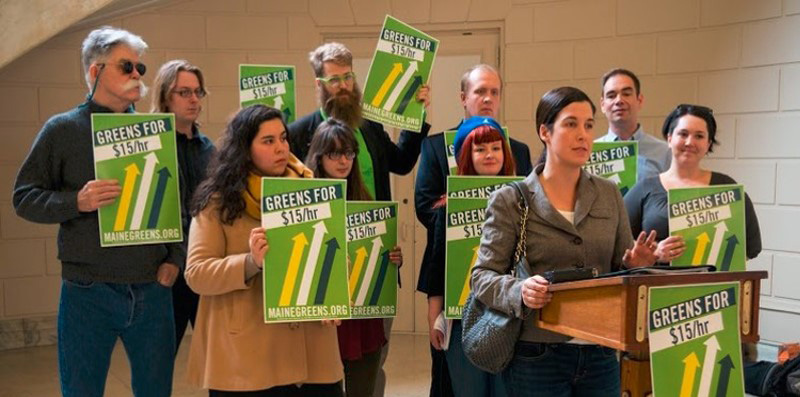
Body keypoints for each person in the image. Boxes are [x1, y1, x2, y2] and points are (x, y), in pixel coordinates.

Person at [13, 26, 179, 396]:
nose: (137, 75)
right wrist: (76, 201)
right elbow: (23, 197)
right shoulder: (62, 130)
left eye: (141, 68)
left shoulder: (155, 132)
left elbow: (182, 206)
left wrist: (176, 260)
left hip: (152, 287)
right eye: (126, 67)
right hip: (88, 292)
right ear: (95, 71)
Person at [470, 87, 658, 397]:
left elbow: (619, 269)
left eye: (588, 124)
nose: (583, 135)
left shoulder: (609, 194)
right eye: (571, 124)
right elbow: (482, 277)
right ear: (545, 131)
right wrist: (519, 290)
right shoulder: (511, 199)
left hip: (600, 351)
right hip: (537, 354)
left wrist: (634, 265)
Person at [288, 42, 431, 397]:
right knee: (322, 366)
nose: (343, 86)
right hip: (323, 269)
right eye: (334, 79)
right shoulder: (298, 132)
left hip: (374, 266)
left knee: (372, 359)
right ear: (319, 83)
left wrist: (415, 115)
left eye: (348, 77)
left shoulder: (369, 126)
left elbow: (400, 162)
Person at [185, 105, 343, 396]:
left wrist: (332, 293)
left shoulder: (313, 190)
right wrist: (250, 262)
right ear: (244, 148)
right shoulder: (216, 201)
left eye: (283, 138)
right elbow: (196, 273)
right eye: (268, 141)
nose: (281, 147)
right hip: (248, 356)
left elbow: (325, 260)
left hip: (313, 351)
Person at [414, 64, 532, 397]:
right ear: (464, 97)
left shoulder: (520, 150)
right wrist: (460, 206)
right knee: (458, 382)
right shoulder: (435, 146)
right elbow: (427, 209)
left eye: (494, 92)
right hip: (456, 289)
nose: (488, 99)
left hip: (509, 296)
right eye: (481, 91)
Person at [304, 119, 403, 397]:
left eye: (349, 153)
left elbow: (379, 253)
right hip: (321, 316)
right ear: (319, 157)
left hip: (362, 313)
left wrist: (392, 256)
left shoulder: (365, 198)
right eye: (335, 153)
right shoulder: (305, 202)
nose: (344, 160)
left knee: (363, 388)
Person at [430, 116, 518, 396]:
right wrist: (435, 315)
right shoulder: (446, 207)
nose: (489, 155)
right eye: (480, 149)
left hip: (510, 316)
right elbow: (435, 266)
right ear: (466, 155)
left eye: (495, 147)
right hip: (461, 317)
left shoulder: (525, 201)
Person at [624, 103, 762, 264]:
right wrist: (654, 253)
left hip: (712, 288)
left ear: (708, 144)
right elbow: (618, 240)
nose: (690, 142)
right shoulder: (644, 188)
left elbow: (750, 247)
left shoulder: (725, 187)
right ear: (669, 139)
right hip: (655, 286)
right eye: (683, 134)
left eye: (699, 136)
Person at [150, 59, 215, 353]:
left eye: (198, 92)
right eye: (184, 92)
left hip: (205, 267)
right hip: (165, 269)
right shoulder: (151, 147)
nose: (193, 100)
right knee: (159, 360)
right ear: (165, 96)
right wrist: (173, 257)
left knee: (220, 358)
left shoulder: (210, 149)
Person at [596, 68, 671, 184]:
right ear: (602, 105)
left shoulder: (664, 152)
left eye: (626, 94)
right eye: (611, 96)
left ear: (639, 100)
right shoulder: (589, 153)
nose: (619, 100)